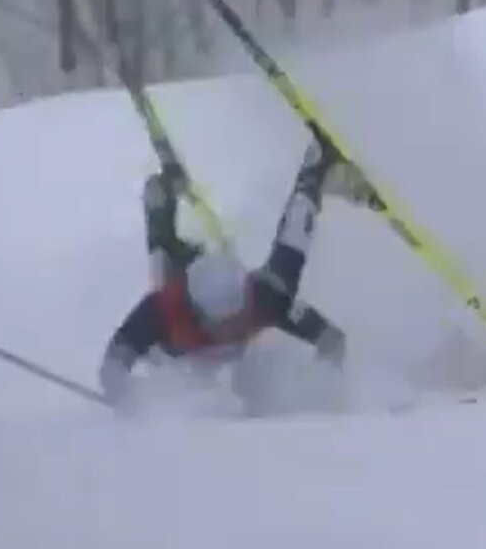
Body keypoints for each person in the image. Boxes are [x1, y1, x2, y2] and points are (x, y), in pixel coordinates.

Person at [99, 125, 372, 414]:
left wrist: (323, 384)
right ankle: (160, 195)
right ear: (199, 312)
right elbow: (115, 363)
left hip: (216, 334)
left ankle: (314, 168)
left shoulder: (261, 295)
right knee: (162, 271)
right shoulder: (163, 308)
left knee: (286, 271)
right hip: (182, 344)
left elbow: (330, 339)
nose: (232, 325)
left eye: (237, 314)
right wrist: (123, 393)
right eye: (223, 321)